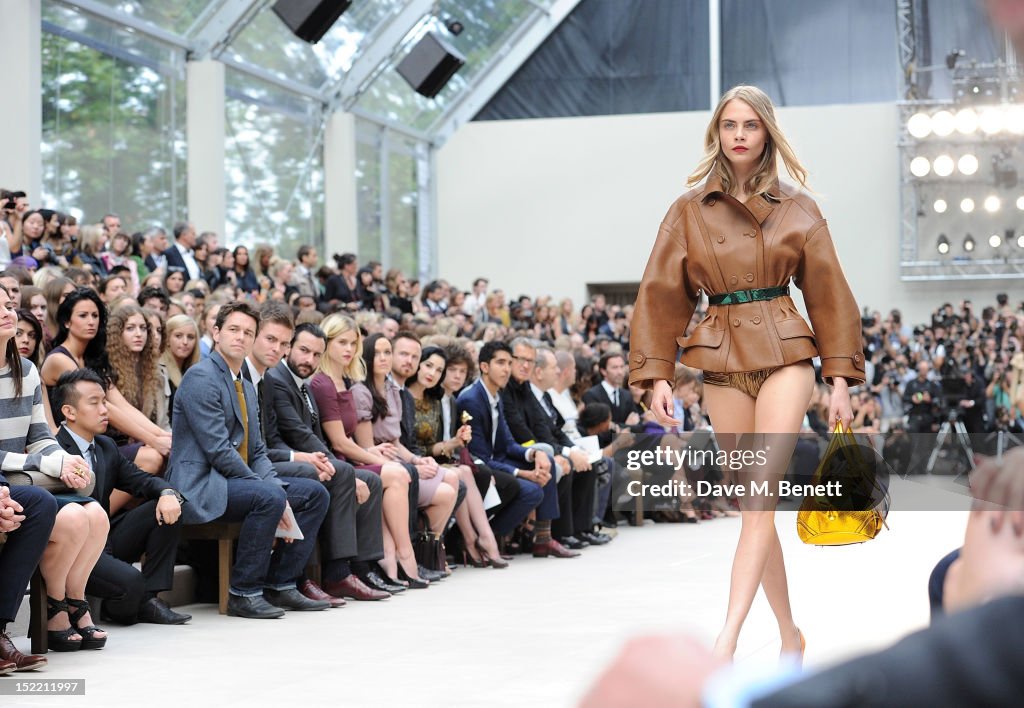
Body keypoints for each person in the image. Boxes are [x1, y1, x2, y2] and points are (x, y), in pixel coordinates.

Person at [629, 85, 863, 662]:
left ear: (767, 134)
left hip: (786, 353)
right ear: (717, 132)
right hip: (721, 357)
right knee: (752, 509)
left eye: (750, 126)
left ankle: (726, 640)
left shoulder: (797, 207)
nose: (739, 135)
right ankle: (789, 635)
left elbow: (828, 293)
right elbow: (660, 293)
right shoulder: (687, 210)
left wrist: (837, 379)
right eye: (729, 124)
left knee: (758, 498)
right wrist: (657, 375)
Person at [166, 302, 330, 618]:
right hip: (199, 484)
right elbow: (218, 451)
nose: (241, 338)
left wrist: (273, 486)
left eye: (248, 332)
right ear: (215, 332)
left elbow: (256, 451)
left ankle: (281, 584)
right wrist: (269, 491)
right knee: (269, 496)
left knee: (314, 494)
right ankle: (244, 592)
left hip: (231, 481)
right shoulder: (201, 376)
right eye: (234, 330)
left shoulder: (243, 380)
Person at [262, 319, 391, 601]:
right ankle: (335, 574)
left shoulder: (303, 384)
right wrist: (332, 465)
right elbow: (296, 434)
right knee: (342, 473)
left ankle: (362, 566)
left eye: (316, 354)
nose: (309, 359)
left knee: (369, 477)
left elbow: (312, 435)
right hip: (277, 459)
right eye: (304, 350)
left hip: (295, 455)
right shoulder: (277, 381)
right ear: (289, 348)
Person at [52, 369, 190, 625]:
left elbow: (143, 481)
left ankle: (149, 599)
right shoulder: (53, 450)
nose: (105, 410)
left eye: (104, 401)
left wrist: (167, 492)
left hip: (107, 541)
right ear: (69, 412)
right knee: (131, 581)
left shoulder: (105, 446)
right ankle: (120, 607)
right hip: (76, 551)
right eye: (94, 403)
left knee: (168, 504)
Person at [308, 315, 429, 588]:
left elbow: (351, 439)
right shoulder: (323, 383)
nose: (348, 349)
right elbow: (339, 442)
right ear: (327, 343)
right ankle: (402, 554)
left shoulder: (345, 380)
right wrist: (376, 457)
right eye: (341, 342)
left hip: (348, 457)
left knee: (394, 477)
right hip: (337, 461)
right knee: (396, 475)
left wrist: (374, 452)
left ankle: (390, 558)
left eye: (353, 343)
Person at [457, 341, 576, 558]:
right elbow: (481, 457)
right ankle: (489, 538)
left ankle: (543, 538)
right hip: (481, 465)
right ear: (484, 367)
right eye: (501, 363)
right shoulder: (472, 399)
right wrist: (524, 473)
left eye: (508, 363)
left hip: (500, 459)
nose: (506, 369)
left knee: (545, 458)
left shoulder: (496, 395)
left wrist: (535, 453)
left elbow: (509, 443)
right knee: (532, 490)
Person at [0, 284, 58, 671]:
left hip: (10, 474)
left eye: (7, 302)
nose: (6, 309)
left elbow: (41, 436)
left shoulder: (28, 370)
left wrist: (62, 461)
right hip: (7, 474)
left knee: (40, 502)